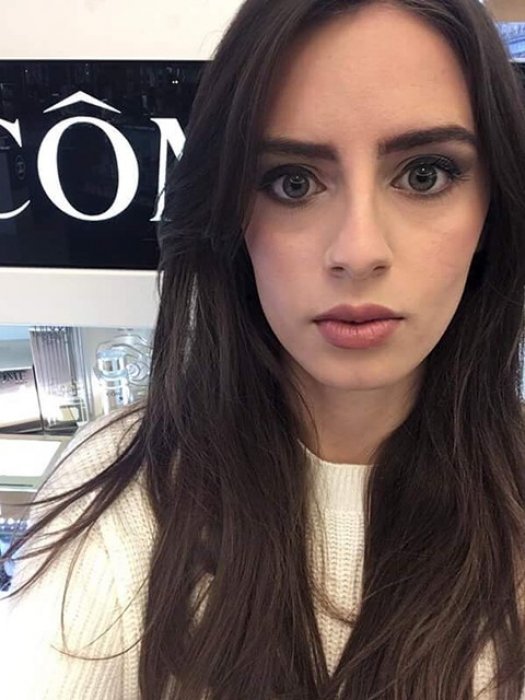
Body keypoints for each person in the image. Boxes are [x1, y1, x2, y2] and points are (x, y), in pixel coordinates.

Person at [2, 0, 525, 697]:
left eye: (424, 174)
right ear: (230, 213)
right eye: (292, 182)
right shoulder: (122, 491)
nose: (358, 251)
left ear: (492, 206)